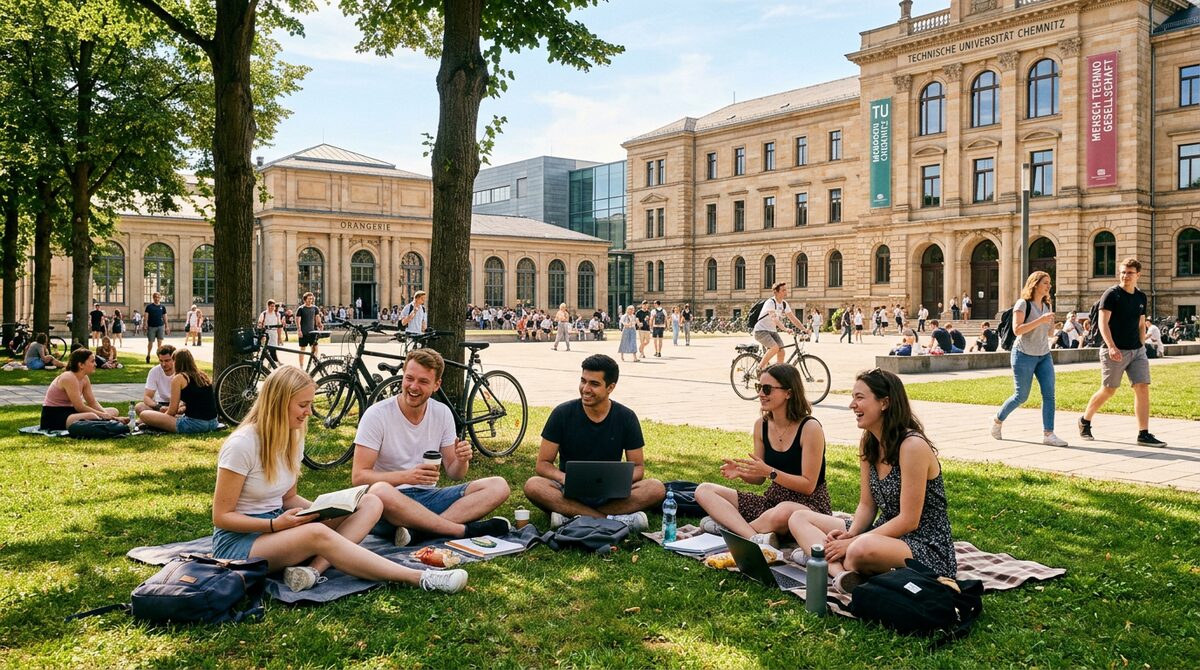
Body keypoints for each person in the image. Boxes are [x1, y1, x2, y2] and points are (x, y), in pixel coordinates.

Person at [212, 365, 467, 593]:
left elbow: (289, 498)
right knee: (317, 533)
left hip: (280, 524)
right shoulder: (242, 444)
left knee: (370, 502)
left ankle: (311, 571)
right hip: (240, 543)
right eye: (303, 405)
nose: (309, 412)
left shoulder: (292, 436)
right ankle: (419, 577)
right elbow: (221, 517)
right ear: (278, 403)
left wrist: (326, 511)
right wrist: (274, 525)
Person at [787, 369, 956, 592]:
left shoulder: (912, 446)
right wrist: (851, 534)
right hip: (882, 532)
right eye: (853, 397)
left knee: (858, 549)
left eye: (859, 397)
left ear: (884, 403)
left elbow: (909, 521)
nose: (852, 405)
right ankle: (841, 574)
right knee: (799, 517)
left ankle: (818, 556)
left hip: (925, 544)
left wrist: (852, 542)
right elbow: (867, 505)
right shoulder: (869, 442)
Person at [351, 349, 512, 544]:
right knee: (379, 491)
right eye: (409, 378)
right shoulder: (377, 415)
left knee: (498, 486)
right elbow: (359, 477)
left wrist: (461, 460)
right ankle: (459, 530)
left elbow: (455, 473)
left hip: (429, 498)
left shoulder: (442, 413)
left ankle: (420, 533)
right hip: (389, 505)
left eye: (423, 381)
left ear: (437, 385)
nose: (413, 386)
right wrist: (406, 477)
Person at [694, 364, 831, 547]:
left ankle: (730, 529)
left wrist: (770, 472)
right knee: (704, 490)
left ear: (788, 393)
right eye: (759, 387)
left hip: (807, 507)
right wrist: (742, 472)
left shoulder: (810, 428)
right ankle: (753, 537)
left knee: (784, 511)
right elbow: (759, 479)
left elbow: (808, 485)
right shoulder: (761, 425)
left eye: (767, 389)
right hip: (771, 503)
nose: (760, 394)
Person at [523, 354, 665, 530]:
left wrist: (614, 481)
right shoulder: (562, 413)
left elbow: (638, 467)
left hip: (611, 494)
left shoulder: (626, 417)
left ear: (610, 387)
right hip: (569, 491)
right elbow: (543, 464)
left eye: (594, 384)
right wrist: (565, 478)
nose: (585, 389)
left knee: (656, 488)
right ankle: (611, 519)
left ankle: (572, 517)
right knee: (533, 486)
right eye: (583, 381)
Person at [1079, 258, 1166, 447]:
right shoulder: (1111, 295)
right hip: (1114, 350)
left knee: (1142, 387)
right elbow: (1103, 323)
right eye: (1123, 272)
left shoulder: (1141, 296)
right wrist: (1111, 346)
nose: (1125, 276)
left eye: (1130, 273)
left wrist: (1142, 346)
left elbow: (1141, 323)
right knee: (1109, 390)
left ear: (1138, 275)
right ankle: (1085, 420)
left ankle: (1143, 434)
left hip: (1137, 350)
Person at [991, 271, 1067, 446]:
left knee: (1049, 394)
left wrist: (1052, 324)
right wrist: (1041, 320)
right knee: (1021, 396)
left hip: (1043, 355)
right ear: (1035, 284)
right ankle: (997, 419)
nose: (1049, 286)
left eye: (1049, 283)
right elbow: (1017, 330)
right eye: (1045, 283)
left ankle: (1049, 434)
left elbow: (1049, 334)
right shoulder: (1022, 304)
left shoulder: (1047, 305)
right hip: (1023, 354)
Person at [39, 349, 126, 430]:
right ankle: (111, 422)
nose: (95, 364)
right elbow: (79, 407)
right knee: (92, 416)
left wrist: (107, 415)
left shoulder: (84, 378)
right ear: (81, 365)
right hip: (54, 416)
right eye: (92, 361)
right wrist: (105, 416)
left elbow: (92, 403)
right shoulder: (69, 377)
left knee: (114, 411)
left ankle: (109, 421)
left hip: (71, 412)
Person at [137, 349, 220, 434]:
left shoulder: (179, 378)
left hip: (194, 424)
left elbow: (172, 411)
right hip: (213, 423)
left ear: (176, 362)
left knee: (144, 415)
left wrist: (161, 419)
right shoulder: (202, 376)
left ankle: (154, 426)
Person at [753, 282, 806, 366]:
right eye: (783, 290)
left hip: (772, 331)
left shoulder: (784, 304)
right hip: (761, 331)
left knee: (781, 351)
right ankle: (759, 368)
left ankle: (778, 371)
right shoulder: (770, 302)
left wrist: (804, 329)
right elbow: (774, 318)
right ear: (776, 292)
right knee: (775, 348)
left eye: (786, 290)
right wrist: (784, 329)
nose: (786, 292)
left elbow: (793, 318)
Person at [136, 345, 178, 416]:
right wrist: (159, 407)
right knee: (139, 407)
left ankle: (158, 419)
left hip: (177, 405)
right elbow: (147, 397)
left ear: (174, 359)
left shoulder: (181, 371)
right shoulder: (155, 371)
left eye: (167, 360)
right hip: (160, 405)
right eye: (161, 361)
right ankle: (166, 418)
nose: (163, 364)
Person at [297, 292, 324, 368]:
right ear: (305, 299)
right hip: (304, 332)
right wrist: (299, 330)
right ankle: (301, 366)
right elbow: (298, 321)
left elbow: (318, 319)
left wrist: (320, 325)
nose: (310, 300)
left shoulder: (315, 308)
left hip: (313, 332)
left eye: (312, 299)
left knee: (315, 348)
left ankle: (314, 364)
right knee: (302, 349)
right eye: (309, 299)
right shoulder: (301, 309)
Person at [144, 293, 168, 364]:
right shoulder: (149, 307)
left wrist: (167, 326)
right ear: (153, 298)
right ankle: (148, 355)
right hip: (151, 327)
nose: (156, 298)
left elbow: (165, 317)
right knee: (150, 342)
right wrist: (145, 324)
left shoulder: (162, 307)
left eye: (158, 297)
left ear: (160, 298)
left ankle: (160, 358)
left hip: (160, 326)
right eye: (155, 297)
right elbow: (146, 316)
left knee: (159, 343)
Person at [258, 299, 284, 364]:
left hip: (274, 333)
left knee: (273, 348)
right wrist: (261, 326)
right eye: (271, 306)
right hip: (266, 333)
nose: (272, 308)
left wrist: (279, 337)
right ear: (268, 306)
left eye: (273, 306)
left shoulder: (277, 314)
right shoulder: (264, 314)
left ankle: (273, 362)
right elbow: (260, 323)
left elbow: (279, 326)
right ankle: (264, 362)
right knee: (265, 349)